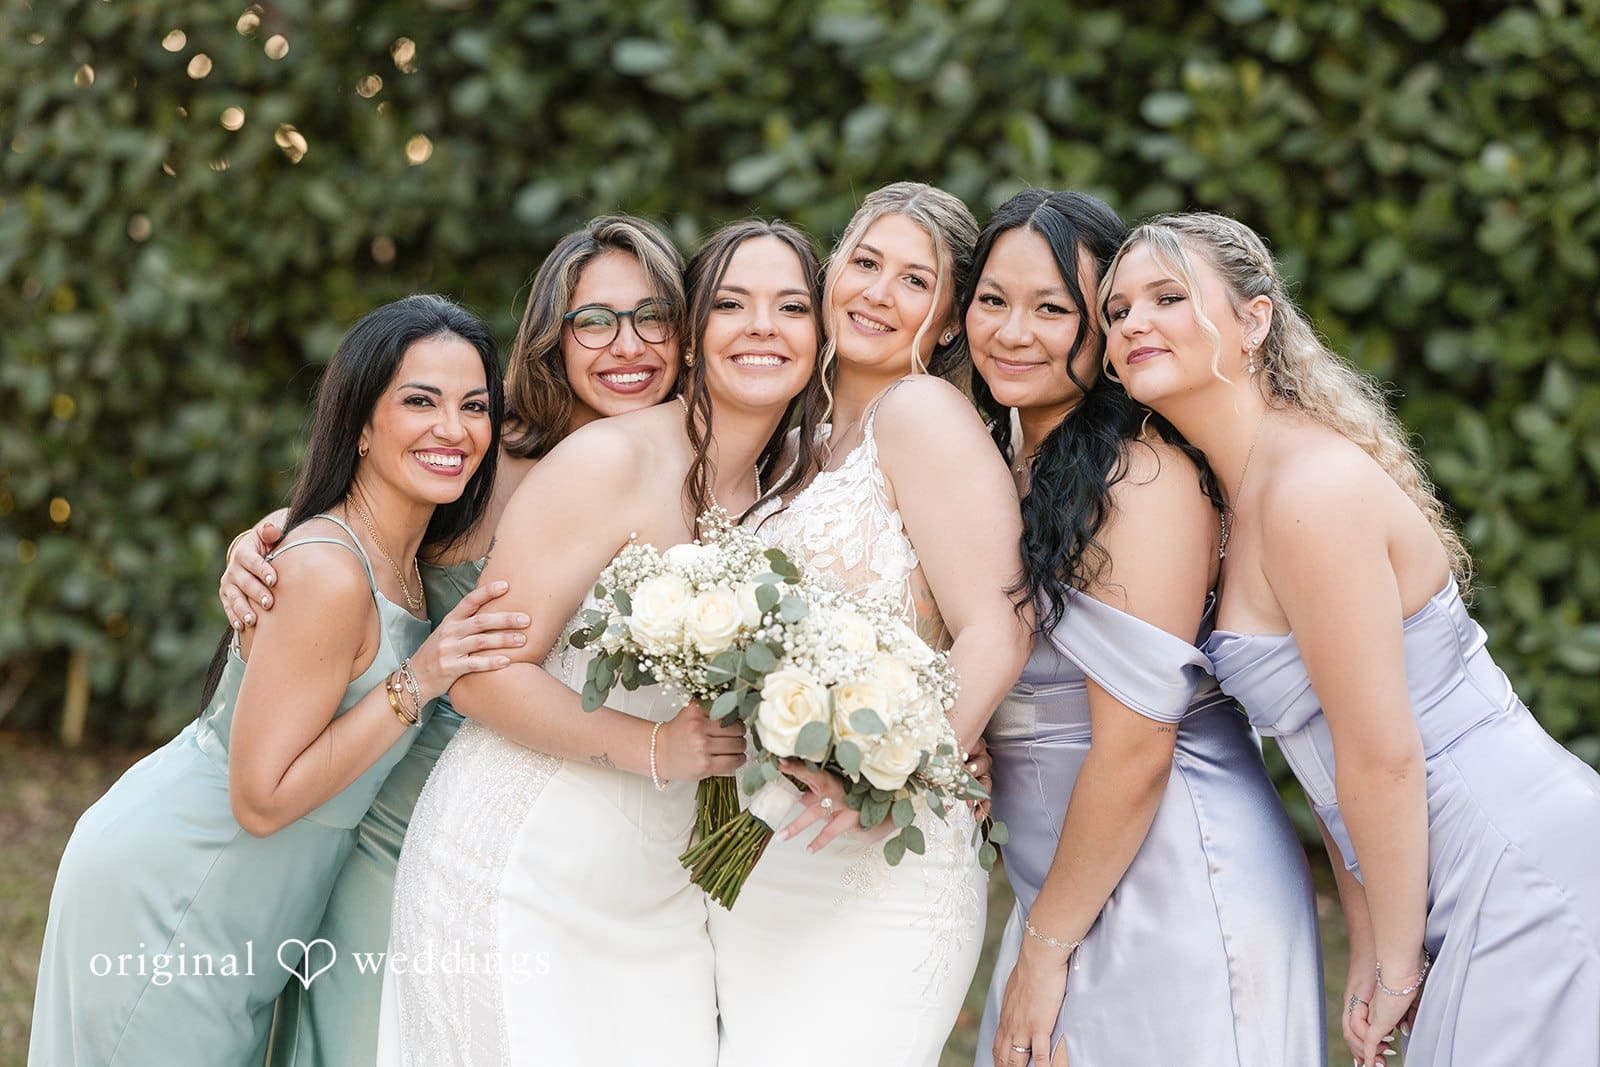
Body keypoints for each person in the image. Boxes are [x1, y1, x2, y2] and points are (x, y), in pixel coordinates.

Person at [1102, 211, 1600, 1067]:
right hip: (1427, 863)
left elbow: (1382, 755)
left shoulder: (1310, 492)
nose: (1132, 322)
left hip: (1510, 853)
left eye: (1167, 296)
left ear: (1255, 320)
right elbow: (1327, 762)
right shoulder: (1237, 498)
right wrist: (1370, 943)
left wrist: (1399, 958)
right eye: (1116, 311)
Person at [218, 217, 687, 1066]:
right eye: (593, 321)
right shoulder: (487, 463)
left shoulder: (697, 472)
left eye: (653, 316)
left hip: (608, 832)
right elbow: (357, 533)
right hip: (420, 814)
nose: (628, 344)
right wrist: (268, 540)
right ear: (554, 337)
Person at [28, 295, 528, 1066]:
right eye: (419, 401)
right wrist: (420, 676)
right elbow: (260, 799)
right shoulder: (329, 569)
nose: (453, 429)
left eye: (474, 405)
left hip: (259, 911)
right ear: (362, 421)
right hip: (177, 889)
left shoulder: (411, 554)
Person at [375, 219, 822, 1065]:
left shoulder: (790, 483)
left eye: (791, 306)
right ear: (704, 335)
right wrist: (654, 743)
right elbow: (478, 675)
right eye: (733, 303)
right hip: (525, 870)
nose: (760, 327)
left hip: (660, 890)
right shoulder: (605, 458)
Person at [959, 190, 1323, 1067]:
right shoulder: (1002, 467)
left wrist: (1045, 950)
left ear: (1105, 332)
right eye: (993, 300)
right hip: (1067, 884)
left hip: (1177, 877)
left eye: (1053, 309)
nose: (1013, 332)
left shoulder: (1141, 477)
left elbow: (1134, 745)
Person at [708, 182, 1034, 1067]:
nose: (878, 294)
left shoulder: (922, 414)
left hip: (879, 847)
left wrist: (893, 779)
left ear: (952, 318)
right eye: (865, 263)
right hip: (762, 841)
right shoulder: (794, 439)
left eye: (914, 281)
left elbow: (998, 629)